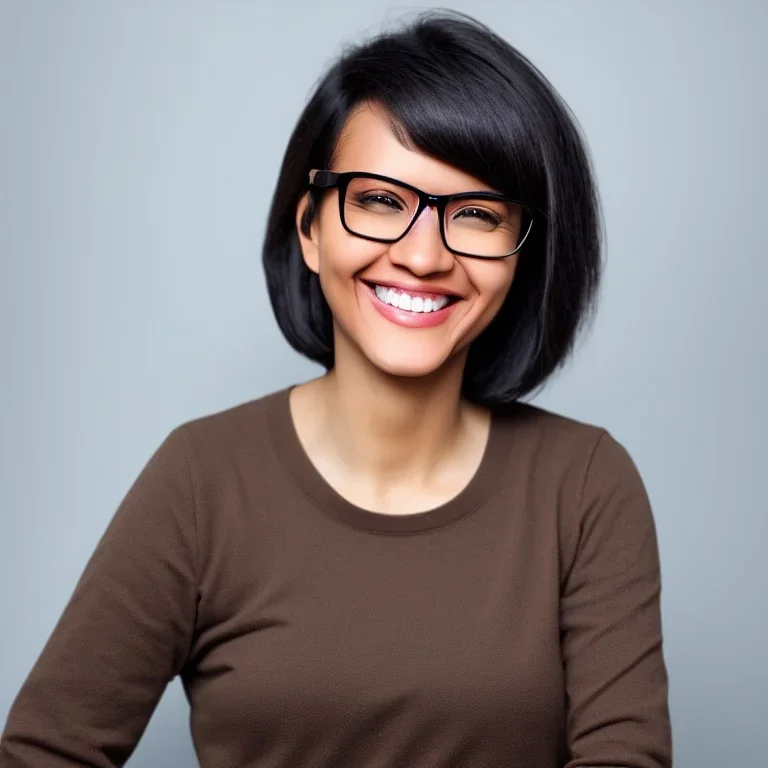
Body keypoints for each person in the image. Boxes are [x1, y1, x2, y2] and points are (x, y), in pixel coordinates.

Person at [0, 10, 672, 768]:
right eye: (380, 200)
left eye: (477, 214)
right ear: (311, 229)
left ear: (522, 257)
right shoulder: (202, 478)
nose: (423, 257)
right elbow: (44, 753)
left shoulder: (583, 487)